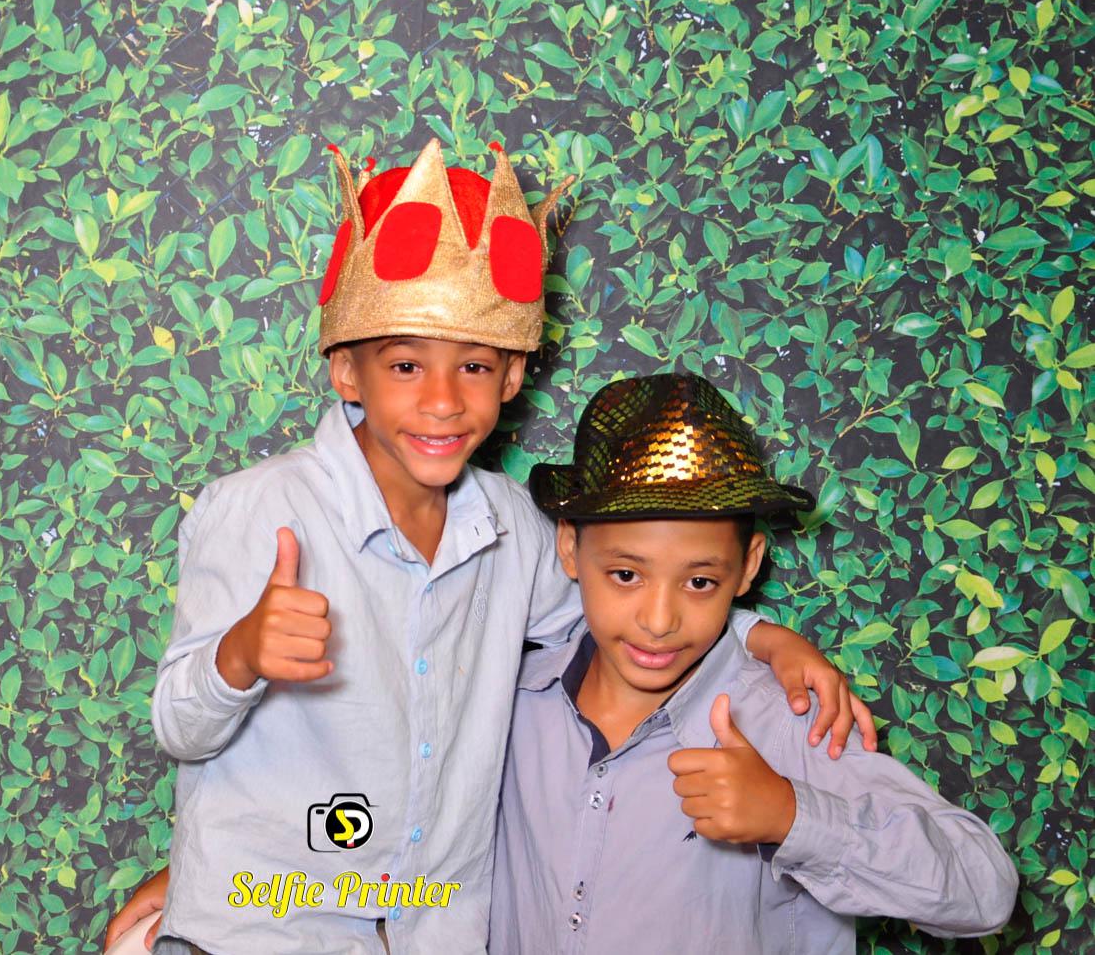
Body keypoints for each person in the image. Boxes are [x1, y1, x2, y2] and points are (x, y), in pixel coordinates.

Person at [142, 138, 870, 955]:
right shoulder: (257, 510)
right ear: (347, 371)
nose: (443, 401)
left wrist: (763, 637)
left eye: (476, 368)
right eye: (406, 366)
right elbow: (180, 728)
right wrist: (240, 655)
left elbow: (623, 608)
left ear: (513, 377)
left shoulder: (515, 527)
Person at [490, 372, 1017, 953]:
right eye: (626, 574)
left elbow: (986, 892)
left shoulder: (788, 718)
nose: (659, 621)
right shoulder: (508, 706)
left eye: (698, 582)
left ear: (748, 566)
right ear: (569, 546)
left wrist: (793, 816)